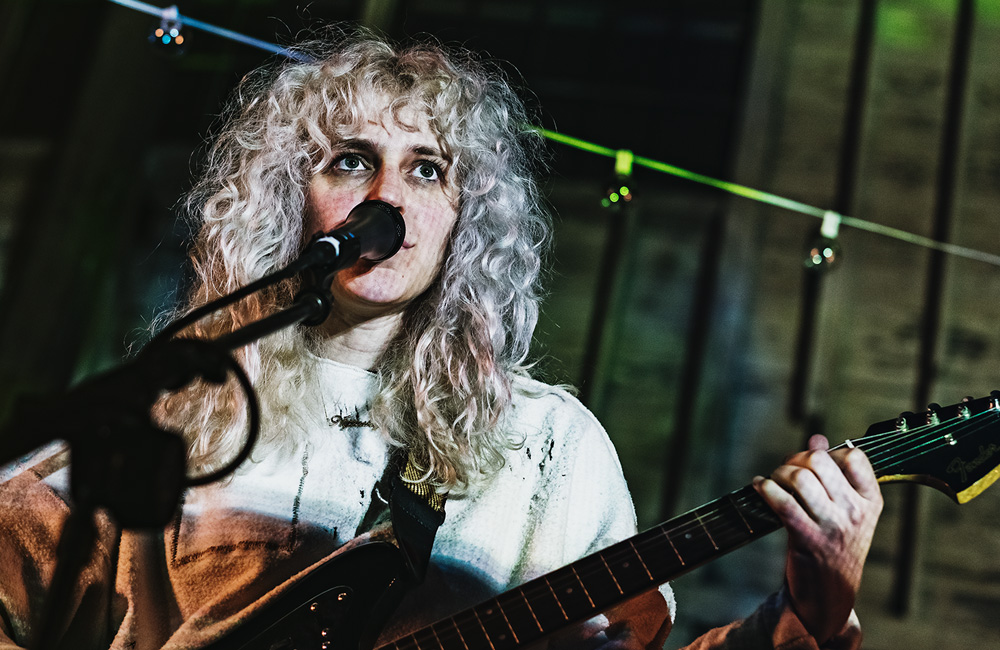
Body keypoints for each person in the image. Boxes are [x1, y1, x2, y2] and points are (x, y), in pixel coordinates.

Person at [0, 27, 882, 650]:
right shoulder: (173, 412)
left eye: (427, 169)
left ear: (465, 216)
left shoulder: (547, 450)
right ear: (288, 198)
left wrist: (814, 616)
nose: (387, 195)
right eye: (350, 161)